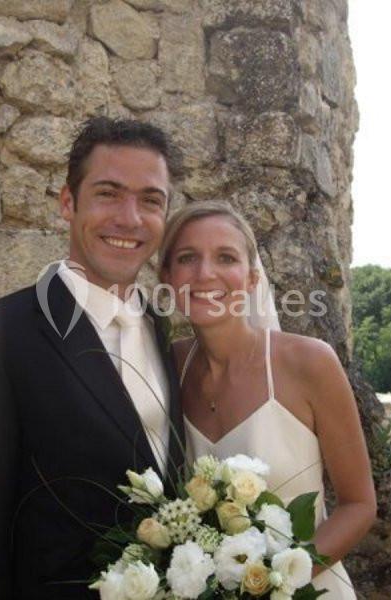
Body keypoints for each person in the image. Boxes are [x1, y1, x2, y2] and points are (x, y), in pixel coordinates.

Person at [0, 117, 186, 599]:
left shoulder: (159, 327)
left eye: (151, 200)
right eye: (108, 193)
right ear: (67, 203)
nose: (130, 218)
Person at [159, 201, 377, 599]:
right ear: (167, 276)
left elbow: (359, 504)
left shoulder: (308, 362)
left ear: (252, 277)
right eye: (188, 258)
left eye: (226, 257)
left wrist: (275, 584)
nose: (205, 273)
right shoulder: (170, 366)